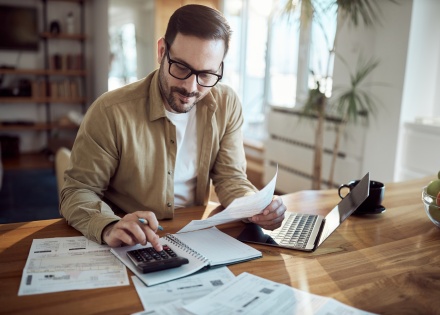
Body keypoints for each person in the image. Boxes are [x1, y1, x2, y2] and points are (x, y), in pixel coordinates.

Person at [60, 4, 286, 251]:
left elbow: (231, 177)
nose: (191, 87)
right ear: (161, 51)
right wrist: (108, 226)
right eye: (181, 67)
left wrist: (256, 208)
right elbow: (77, 191)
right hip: (132, 243)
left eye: (207, 75)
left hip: (198, 236)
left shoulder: (226, 103)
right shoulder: (110, 112)